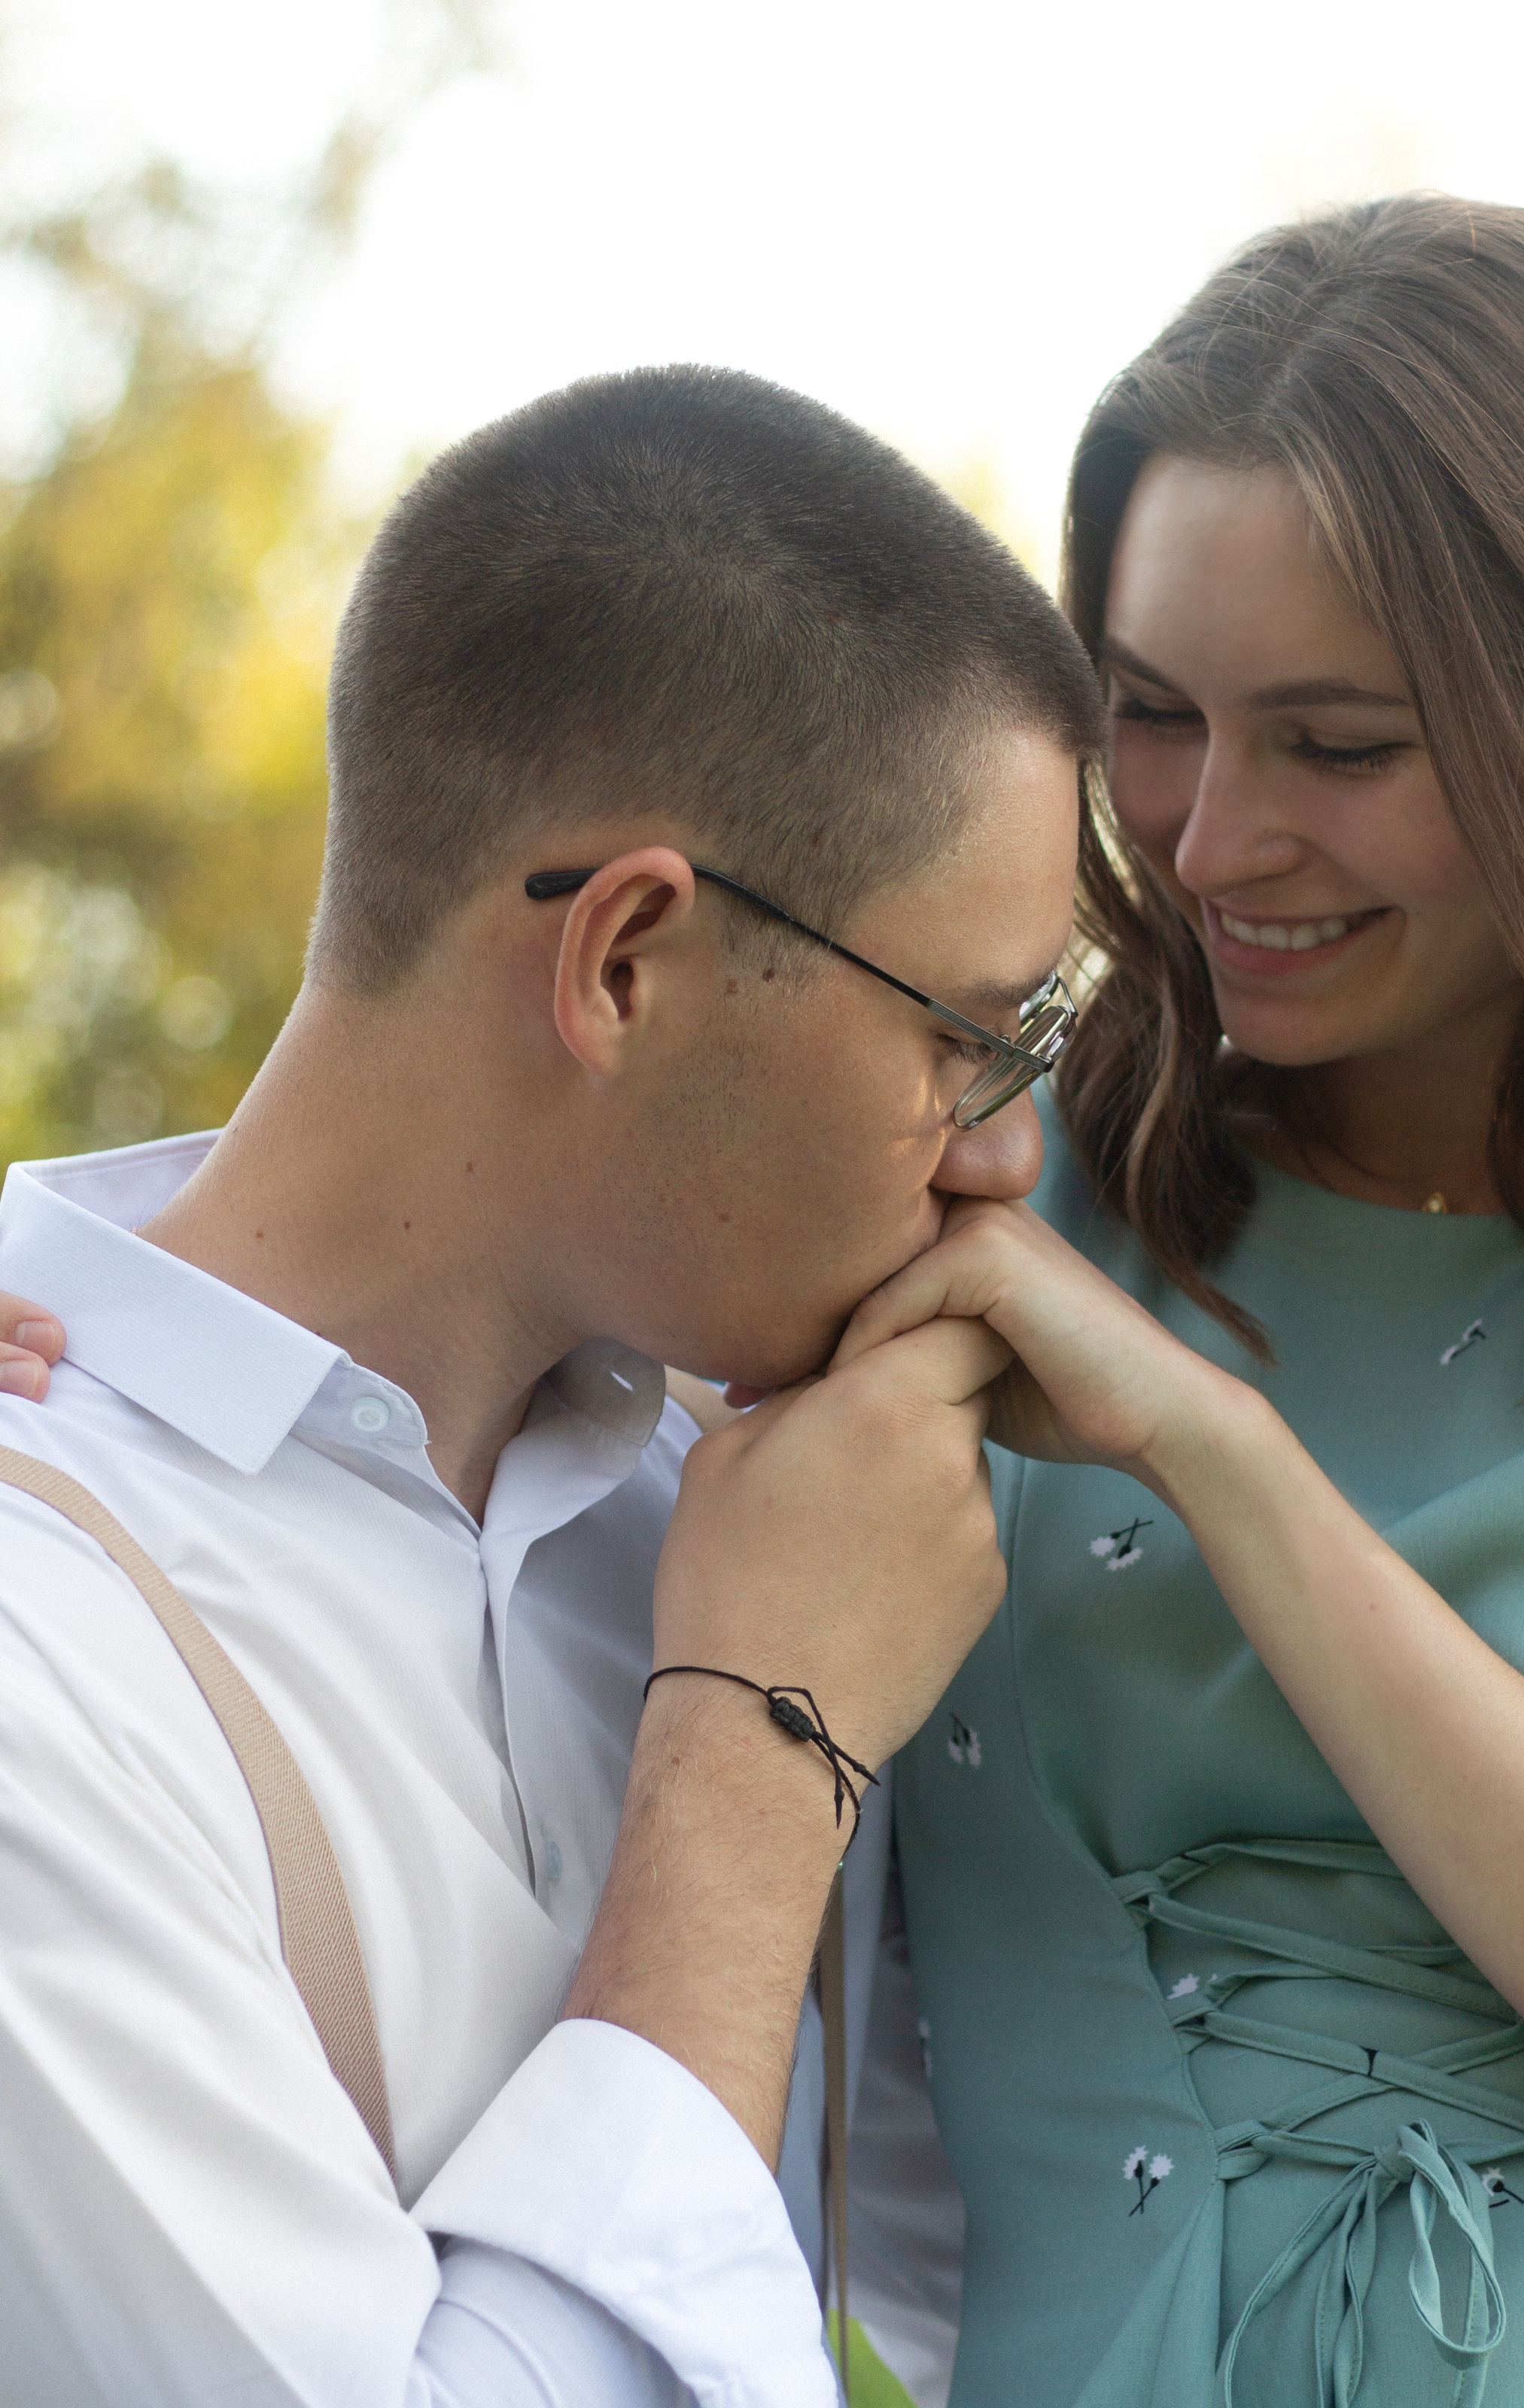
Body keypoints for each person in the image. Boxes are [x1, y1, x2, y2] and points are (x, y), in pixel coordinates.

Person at [829, 197, 1524, 2404]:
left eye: (1337, 747)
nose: (1215, 841)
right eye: (1150, 718)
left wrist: (1213, 1453)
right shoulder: (950, 1185)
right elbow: (485, 1358)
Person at [0, 361, 1100, 2406]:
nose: (1006, 1157)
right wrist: (762, 1764)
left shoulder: (735, 1513)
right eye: (967, 1036)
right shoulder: (37, 1652)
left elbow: (1091, 2252)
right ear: (626, 961)